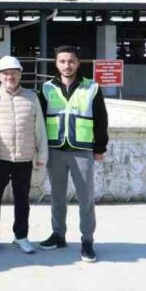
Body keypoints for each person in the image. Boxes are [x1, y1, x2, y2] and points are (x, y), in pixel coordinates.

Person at [38, 45, 109, 263]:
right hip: (55, 149)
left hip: (82, 150)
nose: (67, 65)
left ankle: (87, 241)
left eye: (71, 61)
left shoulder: (92, 87)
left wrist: (100, 148)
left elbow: (101, 119)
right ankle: (58, 235)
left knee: (86, 198)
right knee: (57, 197)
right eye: (62, 61)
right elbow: (39, 121)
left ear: (78, 63)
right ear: (56, 63)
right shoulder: (46, 88)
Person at [0, 56, 47, 254]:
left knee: (22, 200)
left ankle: (21, 236)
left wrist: (42, 155)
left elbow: (39, 128)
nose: (10, 76)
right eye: (6, 73)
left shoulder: (31, 97)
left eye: (14, 73)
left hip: (24, 158)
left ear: (20, 75)